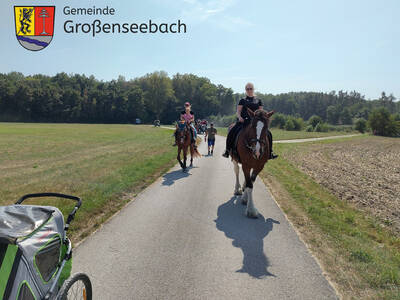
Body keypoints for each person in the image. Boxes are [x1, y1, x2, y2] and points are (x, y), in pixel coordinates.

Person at [222, 83, 278, 159]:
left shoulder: (259, 101)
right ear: (245, 90)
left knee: (269, 134)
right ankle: (227, 151)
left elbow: (261, 113)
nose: (249, 90)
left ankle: (270, 153)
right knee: (232, 131)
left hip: (255, 123)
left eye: (250, 88)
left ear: (253, 89)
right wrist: (239, 117)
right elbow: (238, 111)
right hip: (243, 122)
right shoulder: (242, 100)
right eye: (247, 89)